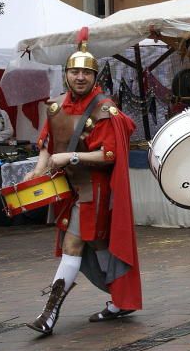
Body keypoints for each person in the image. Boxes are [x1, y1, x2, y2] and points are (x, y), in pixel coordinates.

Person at [25, 28, 141, 335]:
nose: (79, 77)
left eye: (85, 73)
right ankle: (120, 300)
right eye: (74, 71)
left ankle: (48, 315)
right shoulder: (56, 106)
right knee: (99, 244)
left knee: (73, 244)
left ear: (94, 76)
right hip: (68, 188)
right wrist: (38, 172)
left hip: (94, 189)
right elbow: (48, 144)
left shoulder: (105, 110)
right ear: (66, 74)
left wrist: (71, 158)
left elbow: (109, 156)